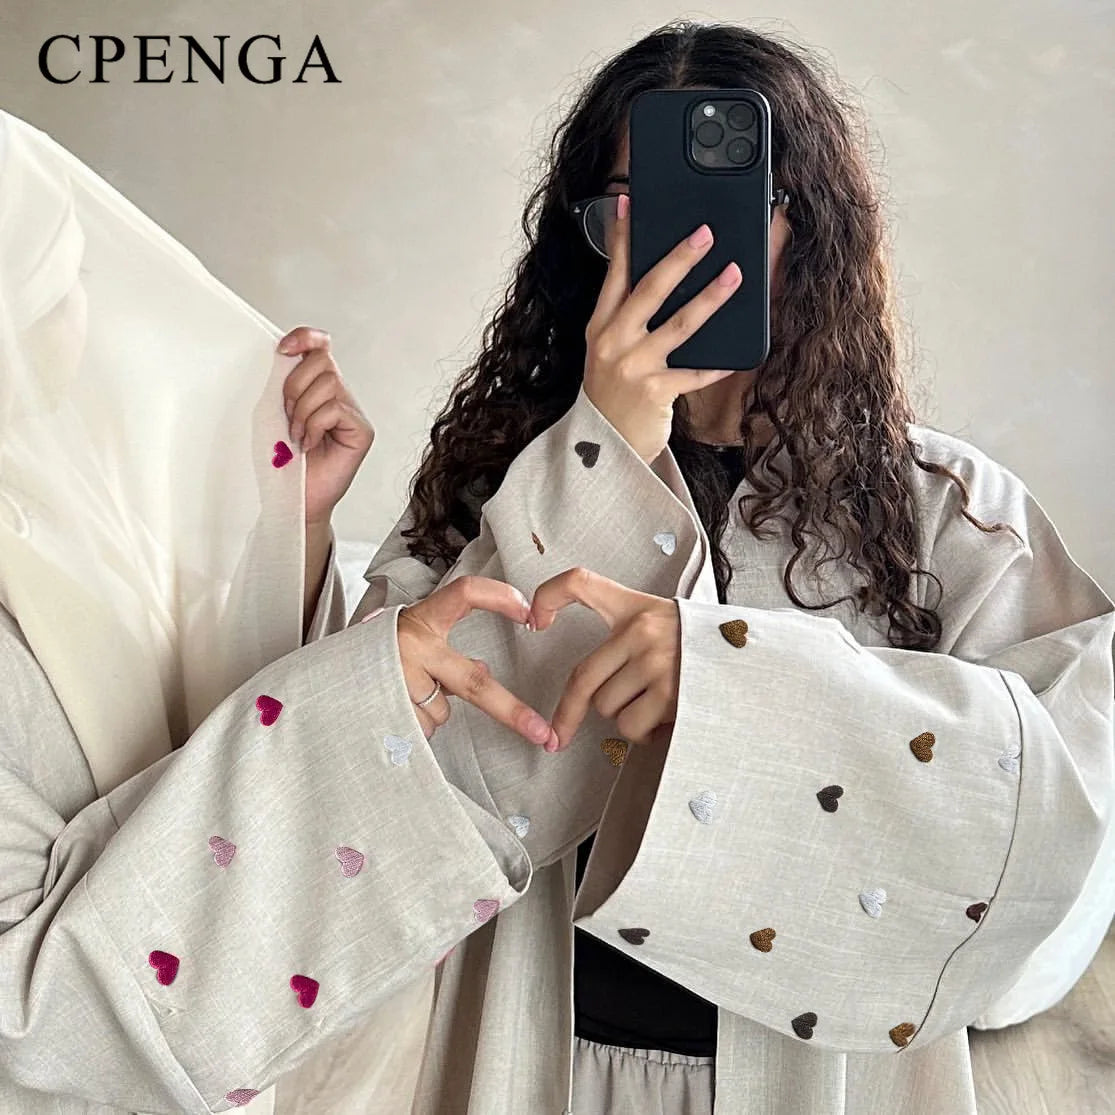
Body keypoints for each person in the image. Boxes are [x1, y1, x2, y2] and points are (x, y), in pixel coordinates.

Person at [1, 20, 1111, 1115]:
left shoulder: (943, 511)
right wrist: (576, 449)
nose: (681, 241)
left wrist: (729, 683)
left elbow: (1055, 826)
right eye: (632, 203)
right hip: (529, 1057)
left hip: (825, 1080)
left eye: (736, 201)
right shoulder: (492, 471)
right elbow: (364, 755)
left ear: (808, 227)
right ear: (585, 233)